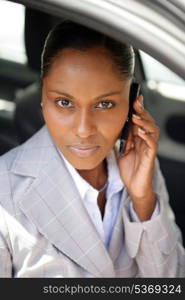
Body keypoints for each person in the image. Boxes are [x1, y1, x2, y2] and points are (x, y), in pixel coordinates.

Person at [0, 20, 184, 278]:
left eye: (105, 104)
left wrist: (143, 201)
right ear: (43, 97)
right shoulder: (4, 191)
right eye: (64, 102)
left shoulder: (144, 170)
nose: (84, 129)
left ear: (133, 104)